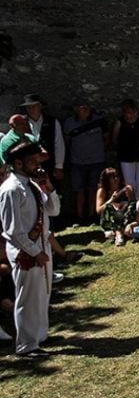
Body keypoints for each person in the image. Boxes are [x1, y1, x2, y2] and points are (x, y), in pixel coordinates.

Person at [0, 141, 60, 357]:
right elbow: (13, 231)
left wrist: (49, 187)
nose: (37, 165)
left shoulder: (33, 185)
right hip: (26, 251)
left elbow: (53, 210)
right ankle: (26, 344)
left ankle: (40, 335)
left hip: (41, 246)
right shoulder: (10, 189)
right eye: (32, 161)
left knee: (42, 294)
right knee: (27, 299)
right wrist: (36, 252)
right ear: (18, 163)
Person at [62, 100, 108, 225]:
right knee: (79, 190)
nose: (84, 109)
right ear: (76, 109)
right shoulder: (69, 123)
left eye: (86, 107)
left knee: (94, 189)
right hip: (77, 161)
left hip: (96, 160)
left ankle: (92, 215)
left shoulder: (99, 120)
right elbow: (67, 141)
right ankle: (79, 216)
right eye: (81, 107)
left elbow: (106, 138)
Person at [111, 99, 139, 196]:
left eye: (134, 112)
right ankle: (131, 206)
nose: (132, 115)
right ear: (124, 113)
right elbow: (114, 139)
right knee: (130, 185)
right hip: (126, 157)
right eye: (129, 112)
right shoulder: (120, 123)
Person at [19, 94, 65, 183]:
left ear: (40, 106)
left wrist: (59, 166)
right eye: (28, 107)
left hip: (49, 164)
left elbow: (59, 144)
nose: (31, 110)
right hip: (29, 165)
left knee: (51, 190)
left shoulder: (52, 122)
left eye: (33, 106)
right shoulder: (22, 122)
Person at [96, 167, 135, 246]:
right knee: (108, 206)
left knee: (134, 204)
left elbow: (133, 204)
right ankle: (119, 234)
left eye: (117, 176)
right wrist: (111, 200)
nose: (116, 179)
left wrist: (130, 196)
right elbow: (99, 210)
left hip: (123, 216)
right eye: (113, 178)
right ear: (107, 180)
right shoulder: (102, 191)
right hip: (110, 219)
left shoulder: (124, 187)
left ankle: (118, 231)